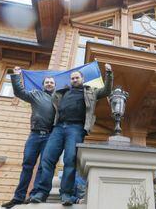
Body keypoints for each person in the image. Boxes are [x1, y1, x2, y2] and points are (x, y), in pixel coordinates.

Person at [30, 64, 113, 206]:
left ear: (82, 79)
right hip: (58, 128)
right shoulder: (61, 92)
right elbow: (47, 101)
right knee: (47, 159)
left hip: (75, 128)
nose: (74, 80)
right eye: (72, 78)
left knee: (69, 160)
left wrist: (109, 74)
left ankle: (66, 194)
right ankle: (41, 192)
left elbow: (106, 90)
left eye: (77, 77)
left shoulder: (90, 92)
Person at [1, 67, 56, 208]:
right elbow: (19, 92)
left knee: (43, 167)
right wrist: (16, 76)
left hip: (50, 136)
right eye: (47, 82)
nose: (49, 84)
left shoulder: (58, 98)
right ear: (43, 85)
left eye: (51, 82)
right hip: (35, 135)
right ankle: (18, 197)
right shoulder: (35, 94)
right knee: (27, 166)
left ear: (55, 85)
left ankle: (35, 195)